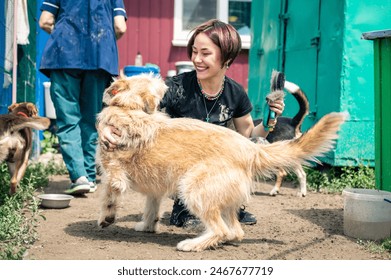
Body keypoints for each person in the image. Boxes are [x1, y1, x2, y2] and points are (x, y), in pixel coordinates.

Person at [100, 19, 284, 227]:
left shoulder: (236, 93)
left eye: (205, 53)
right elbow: (130, 110)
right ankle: (191, 208)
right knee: (192, 212)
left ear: (227, 57)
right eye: (194, 51)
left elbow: (249, 136)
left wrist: (271, 120)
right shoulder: (175, 87)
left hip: (215, 172)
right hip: (181, 174)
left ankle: (225, 205)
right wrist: (106, 127)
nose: (197, 59)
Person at [38, 0, 127, 195]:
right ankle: (89, 175)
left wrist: (65, 39)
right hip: (99, 58)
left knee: (68, 119)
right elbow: (120, 27)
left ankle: (79, 177)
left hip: (64, 57)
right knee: (91, 120)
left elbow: (45, 21)